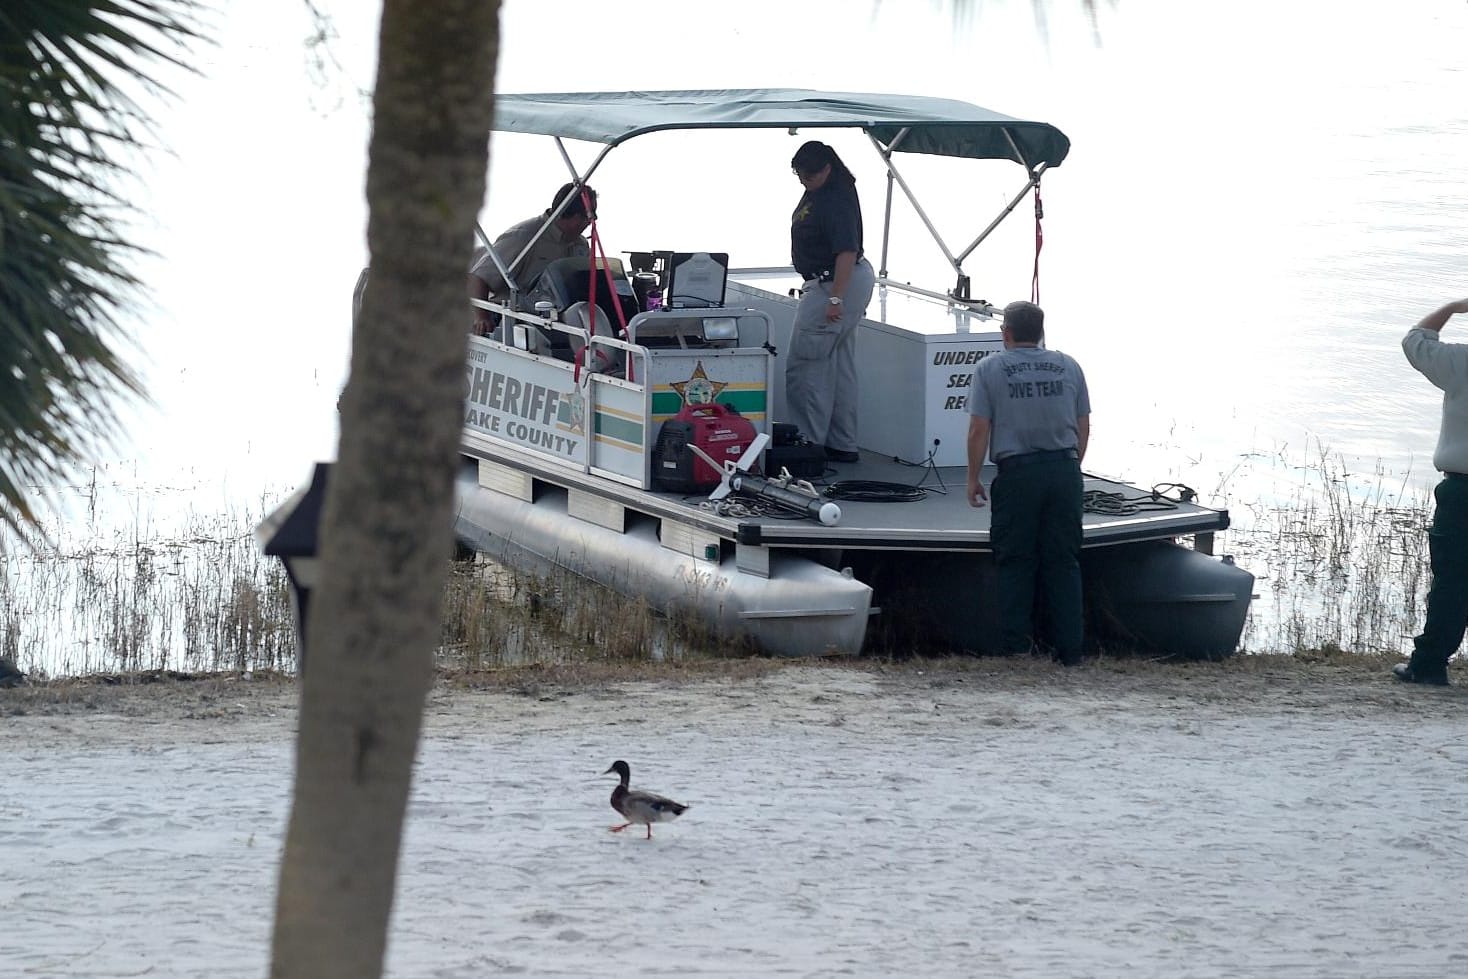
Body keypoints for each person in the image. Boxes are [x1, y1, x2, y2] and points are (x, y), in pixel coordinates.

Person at [965, 301, 1091, 666]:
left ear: (1006, 333)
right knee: (1064, 561)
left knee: (1015, 560)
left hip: (1018, 473)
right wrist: (1072, 467)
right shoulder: (1069, 365)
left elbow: (978, 429)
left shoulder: (989, 368)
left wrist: (973, 477)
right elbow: (1083, 425)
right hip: (1064, 471)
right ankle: (1069, 651)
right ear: (1041, 332)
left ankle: (1018, 647)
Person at [784, 141, 875, 463]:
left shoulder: (835, 199)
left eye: (809, 176)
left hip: (833, 282)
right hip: (838, 281)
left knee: (808, 365)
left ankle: (809, 444)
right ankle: (842, 443)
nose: (804, 181)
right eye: (799, 176)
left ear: (827, 169)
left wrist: (835, 297)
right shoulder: (826, 190)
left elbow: (846, 250)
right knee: (838, 364)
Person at [1395, 298, 1468, 685]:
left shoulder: (1460, 362)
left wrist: (1454, 307)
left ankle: (1429, 665)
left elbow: (1415, 339)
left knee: (1453, 581)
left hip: (1463, 491)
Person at [467, 182, 597, 335]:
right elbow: (477, 278)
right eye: (589, 215)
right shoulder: (524, 236)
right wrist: (482, 318)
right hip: (514, 325)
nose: (592, 221)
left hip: (561, 325)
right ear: (571, 215)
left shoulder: (580, 244)